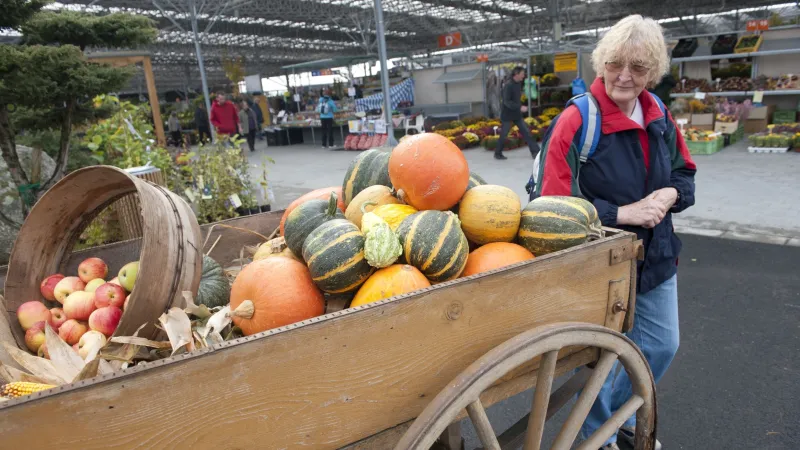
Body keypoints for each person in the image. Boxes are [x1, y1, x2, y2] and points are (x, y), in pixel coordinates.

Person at [532, 15, 696, 450]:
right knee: (604, 359)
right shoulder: (577, 121)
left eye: (638, 68)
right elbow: (550, 205)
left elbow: (685, 176)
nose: (625, 76)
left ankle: (619, 417)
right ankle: (596, 436)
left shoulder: (660, 115)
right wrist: (622, 213)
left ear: (653, 72)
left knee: (661, 346)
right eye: (616, 64)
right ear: (600, 64)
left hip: (657, 255)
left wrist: (668, 197)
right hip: (598, 263)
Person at [495, 66, 540, 160]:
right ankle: (497, 153)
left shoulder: (518, 84)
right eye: (522, 74)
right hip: (507, 114)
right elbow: (506, 101)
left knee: (526, 132)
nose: (523, 76)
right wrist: (519, 107)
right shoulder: (508, 85)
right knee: (504, 134)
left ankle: (536, 152)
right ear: (516, 74)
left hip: (516, 114)